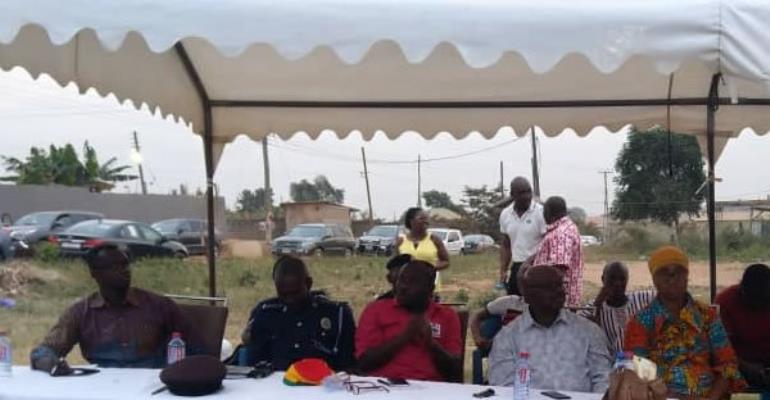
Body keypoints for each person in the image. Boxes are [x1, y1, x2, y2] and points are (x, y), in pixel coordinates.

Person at [30, 244, 195, 371]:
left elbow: (198, 346)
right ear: (94, 274)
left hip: (153, 383)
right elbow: (45, 352)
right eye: (114, 267)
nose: (124, 271)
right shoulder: (81, 313)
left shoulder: (159, 305)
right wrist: (52, 365)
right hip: (101, 386)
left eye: (126, 265)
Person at [624, 246, 746, 399]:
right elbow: (636, 369)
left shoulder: (707, 316)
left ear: (687, 276)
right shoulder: (641, 321)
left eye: (678, 271)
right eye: (664, 272)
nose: (672, 277)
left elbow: (728, 364)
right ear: (654, 279)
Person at [488, 265, 611, 392]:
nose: (560, 291)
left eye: (561, 285)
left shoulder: (589, 331)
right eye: (550, 287)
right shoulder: (507, 337)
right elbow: (502, 386)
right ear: (528, 295)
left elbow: (604, 379)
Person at [356, 260, 462, 382]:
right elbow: (364, 363)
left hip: (431, 389)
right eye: (401, 280)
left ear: (430, 288)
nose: (403, 287)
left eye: (413, 281)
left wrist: (431, 344)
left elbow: (454, 371)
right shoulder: (376, 310)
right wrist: (405, 337)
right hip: (384, 387)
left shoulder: (447, 316)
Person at [244, 256, 356, 371]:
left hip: (324, 384)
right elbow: (254, 363)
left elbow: (348, 364)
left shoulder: (336, 315)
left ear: (308, 284)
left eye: (295, 293)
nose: (290, 299)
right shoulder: (265, 313)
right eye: (283, 294)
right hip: (276, 384)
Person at [715, 264, 770, 395]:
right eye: (754, 300)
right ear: (742, 290)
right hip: (737, 368)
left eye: (764, 301)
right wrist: (744, 366)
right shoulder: (725, 302)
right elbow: (717, 349)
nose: (758, 306)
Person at [579, 261, 655, 354]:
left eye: (622, 279)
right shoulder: (593, 306)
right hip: (610, 363)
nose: (617, 283)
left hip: (641, 362)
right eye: (612, 278)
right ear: (603, 279)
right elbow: (584, 332)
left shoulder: (640, 298)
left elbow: (666, 295)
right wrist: (598, 303)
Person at [498, 177, 546, 295]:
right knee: (514, 306)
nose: (527, 196)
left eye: (528, 191)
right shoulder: (505, 214)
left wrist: (531, 262)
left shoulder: (541, 212)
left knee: (537, 306)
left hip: (538, 267)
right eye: (522, 193)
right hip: (517, 268)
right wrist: (503, 270)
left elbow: (548, 243)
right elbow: (506, 244)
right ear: (512, 194)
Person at [532, 196, 584, 306]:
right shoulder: (565, 228)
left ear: (549, 212)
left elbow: (558, 271)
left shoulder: (561, 233)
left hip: (558, 301)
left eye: (544, 211)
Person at [470, 261, 529, 351]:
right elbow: (477, 316)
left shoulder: (544, 308)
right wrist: (477, 338)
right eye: (521, 281)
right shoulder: (509, 302)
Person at [395, 207, 450, 289]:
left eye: (427, 219)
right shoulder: (401, 241)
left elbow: (446, 261)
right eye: (422, 218)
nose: (426, 221)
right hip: (407, 290)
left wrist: (430, 268)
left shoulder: (434, 239)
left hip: (430, 288)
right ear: (411, 221)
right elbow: (394, 265)